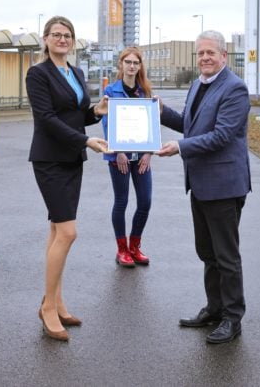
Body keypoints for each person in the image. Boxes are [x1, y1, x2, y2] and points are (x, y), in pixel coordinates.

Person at [158, 30, 251, 344]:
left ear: (224, 56)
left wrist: (180, 148)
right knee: (207, 252)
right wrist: (160, 112)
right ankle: (214, 308)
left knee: (226, 255)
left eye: (211, 53)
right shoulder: (199, 84)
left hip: (224, 185)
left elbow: (221, 136)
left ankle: (232, 317)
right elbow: (191, 123)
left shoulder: (235, 89)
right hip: (200, 184)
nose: (205, 58)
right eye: (200, 54)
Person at [25, 16, 108, 342]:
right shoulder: (37, 73)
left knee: (58, 230)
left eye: (67, 35)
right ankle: (47, 306)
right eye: (56, 35)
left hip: (72, 158)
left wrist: (95, 113)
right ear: (45, 39)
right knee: (69, 232)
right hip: (49, 159)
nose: (62, 39)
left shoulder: (75, 72)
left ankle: (57, 301)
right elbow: (46, 119)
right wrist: (85, 140)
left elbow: (75, 114)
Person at [101, 47, 154, 267]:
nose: (132, 66)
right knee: (121, 201)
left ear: (140, 66)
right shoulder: (111, 92)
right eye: (128, 62)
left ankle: (135, 246)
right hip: (118, 158)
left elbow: (151, 125)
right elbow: (106, 122)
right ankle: (122, 250)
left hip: (141, 157)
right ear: (121, 65)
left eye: (136, 62)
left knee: (145, 202)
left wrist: (149, 153)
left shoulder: (145, 92)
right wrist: (118, 151)